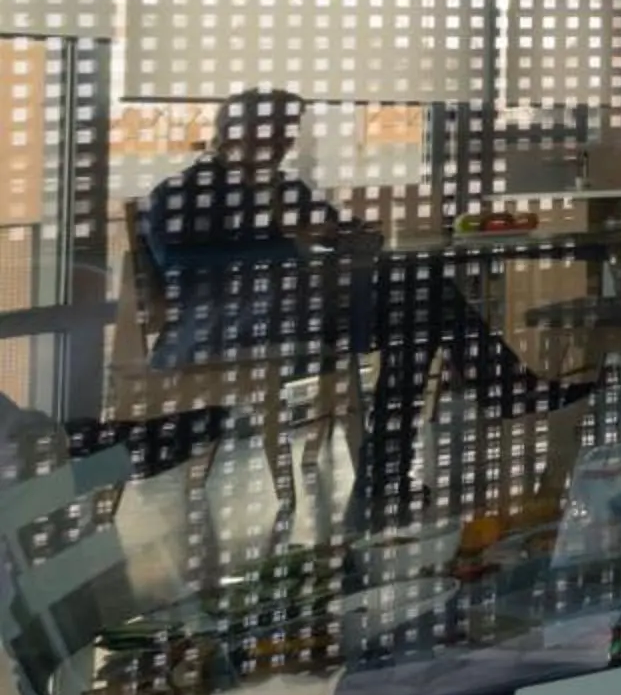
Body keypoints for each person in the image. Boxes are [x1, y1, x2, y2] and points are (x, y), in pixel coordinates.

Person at [145, 90, 587, 525]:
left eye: (287, 134)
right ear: (236, 133)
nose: (283, 144)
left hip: (303, 313)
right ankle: (490, 399)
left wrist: (349, 235)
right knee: (421, 299)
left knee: (419, 303)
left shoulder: (285, 188)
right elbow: (180, 267)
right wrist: (289, 242)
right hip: (232, 324)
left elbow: (344, 232)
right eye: (274, 133)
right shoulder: (183, 191)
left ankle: (399, 463)